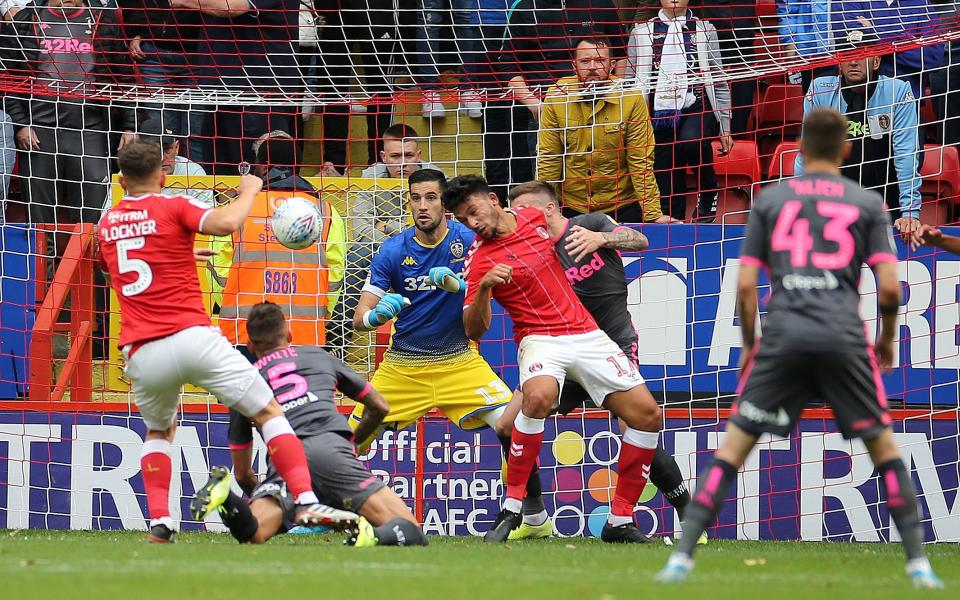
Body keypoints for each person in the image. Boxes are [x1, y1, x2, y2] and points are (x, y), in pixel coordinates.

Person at [654, 108, 943, 589]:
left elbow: (745, 284)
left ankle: (682, 557)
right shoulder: (868, 204)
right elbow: (890, 289)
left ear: (801, 150)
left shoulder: (773, 201)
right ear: (845, 150)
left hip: (784, 336)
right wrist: (886, 340)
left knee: (734, 448)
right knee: (885, 448)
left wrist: (750, 345)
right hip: (843, 340)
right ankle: (918, 563)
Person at [96, 140, 355, 543]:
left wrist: (180, 252)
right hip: (192, 337)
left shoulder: (108, 223)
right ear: (163, 174)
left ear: (122, 176)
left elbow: (125, 260)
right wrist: (249, 188)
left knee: (159, 432)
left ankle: (161, 523)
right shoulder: (173, 204)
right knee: (270, 412)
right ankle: (305, 501)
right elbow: (226, 223)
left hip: (142, 350)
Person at [444, 174, 663, 544]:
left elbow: (634, 238)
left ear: (494, 199)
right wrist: (482, 290)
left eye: (474, 212)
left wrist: (602, 237)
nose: (473, 223)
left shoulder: (532, 216)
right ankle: (512, 507)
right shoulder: (480, 259)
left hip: (588, 333)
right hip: (539, 339)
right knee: (539, 397)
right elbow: (473, 331)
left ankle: (620, 519)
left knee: (647, 414)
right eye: (464, 220)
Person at [351, 168, 548, 534]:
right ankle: (320, 515)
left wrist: (463, 287)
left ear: (445, 203)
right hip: (402, 367)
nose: (422, 206)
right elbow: (359, 319)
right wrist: (376, 315)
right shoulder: (392, 251)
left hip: (459, 360)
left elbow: (505, 281)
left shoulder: (470, 240)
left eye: (430, 198)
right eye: (415, 198)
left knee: (513, 427)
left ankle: (535, 518)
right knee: (349, 442)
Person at [505, 180, 698, 542]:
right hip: (561, 354)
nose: (521, 218)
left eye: (526, 210)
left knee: (636, 426)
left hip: (613, 346)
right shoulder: (533, 250)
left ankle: (688, 515)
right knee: (507, 424)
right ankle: (534, 518)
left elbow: (641, 240)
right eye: (516, 213)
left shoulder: (591, 224)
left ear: (549, 209)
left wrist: (603, 240)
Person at [191, 302, 428, 547]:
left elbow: (242, 474)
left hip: (283, 461)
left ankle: (227, 498)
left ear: (250, 346)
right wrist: (354, 446)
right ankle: (372, 536)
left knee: (254, 533)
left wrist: (269, 494)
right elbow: (380, 406)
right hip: (332, 450)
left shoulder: (245, 382)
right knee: (410, 530)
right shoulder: (318, 356)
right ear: (290, 335)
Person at [0, 0, 137, 225]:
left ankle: (88, 260)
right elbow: (9, 79)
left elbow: (123, 78)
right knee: (39, 217)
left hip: (90, 131)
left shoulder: (102, 20)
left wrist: (130, 126)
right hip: (38, 133)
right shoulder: (26, 20)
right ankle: (45, 261)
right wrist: (21, 123)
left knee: (92, 216)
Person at [483, 0, 626, 204]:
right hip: (545, 112)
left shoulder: (601, 3)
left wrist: (616, 93)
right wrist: (533, 103)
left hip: (599, 108)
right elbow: (507, 62)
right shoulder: (524, 7)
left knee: (603, 177)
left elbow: (620, 53)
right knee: (545, 184)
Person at [218, 133, 346, 350]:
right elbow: (336, 274)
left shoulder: (234, 210)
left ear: (262, 167)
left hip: (243, 333)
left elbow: (218, 273)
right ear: (297, 166)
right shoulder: (327, 213)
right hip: (305, 333)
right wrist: (322, 312)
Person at [327, 124, 445, 351]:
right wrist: (399, 233)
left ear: (418, 154)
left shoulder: (437, 178)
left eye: (409, 155)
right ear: (383, 156)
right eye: (395, 156)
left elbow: (438, 226)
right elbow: (360, 227)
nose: (403, 163)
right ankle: (335, 342)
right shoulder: (369, 177)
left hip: (429, 252)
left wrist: (384, 225)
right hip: (384, 252)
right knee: (357, 254)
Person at [538, 36, 674, 224]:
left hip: (621, 205)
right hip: (571, 205)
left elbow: (641, 161)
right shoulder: (557, 95)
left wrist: (653, 214)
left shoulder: (631, 98)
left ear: (611, 65)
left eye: (600, 60)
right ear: (574, 65)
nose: (592, 67)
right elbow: (549, 158)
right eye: (585, 61)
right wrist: (543, 212)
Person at [796, 44, 922, 241]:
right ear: (838, 62)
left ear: (877, 62)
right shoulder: (820, 90)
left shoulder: (898, 92)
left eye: (862, 55)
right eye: (847, 55)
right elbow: (807, 155)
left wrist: (910, 213)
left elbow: (906, 154)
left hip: (886, 198)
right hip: (834, 198)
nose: (853, 62)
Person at [627, 0, 734, 222]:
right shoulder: (641, 32)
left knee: (690, 142)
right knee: (666, 179)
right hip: (658, 112)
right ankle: (674, 229)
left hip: (697, 104)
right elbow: (630, 81)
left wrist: (725, 127)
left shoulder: (705, 29)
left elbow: (719, 78)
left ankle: (708, 190)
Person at [119, 0, 207, 162]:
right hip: (155, 55)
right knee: (160, 130)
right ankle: (158, 183)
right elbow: (134, 8)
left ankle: (195, 183)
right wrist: (137, 33)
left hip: (198, 55)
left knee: (194, 132)